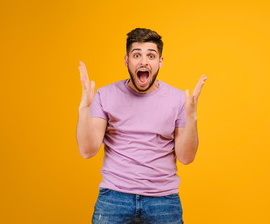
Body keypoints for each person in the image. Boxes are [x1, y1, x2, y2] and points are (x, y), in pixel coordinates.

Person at [76, 28, 207, 223]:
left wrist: (192, 117)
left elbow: (186, 158)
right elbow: (87, 151)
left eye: (151, 56)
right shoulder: (105, 95)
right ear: (127, 60)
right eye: (136, 55)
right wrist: (84, 108)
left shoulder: (179, 99)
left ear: (160, 62)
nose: (144, 61)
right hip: (114, 198)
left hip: (164, 200)